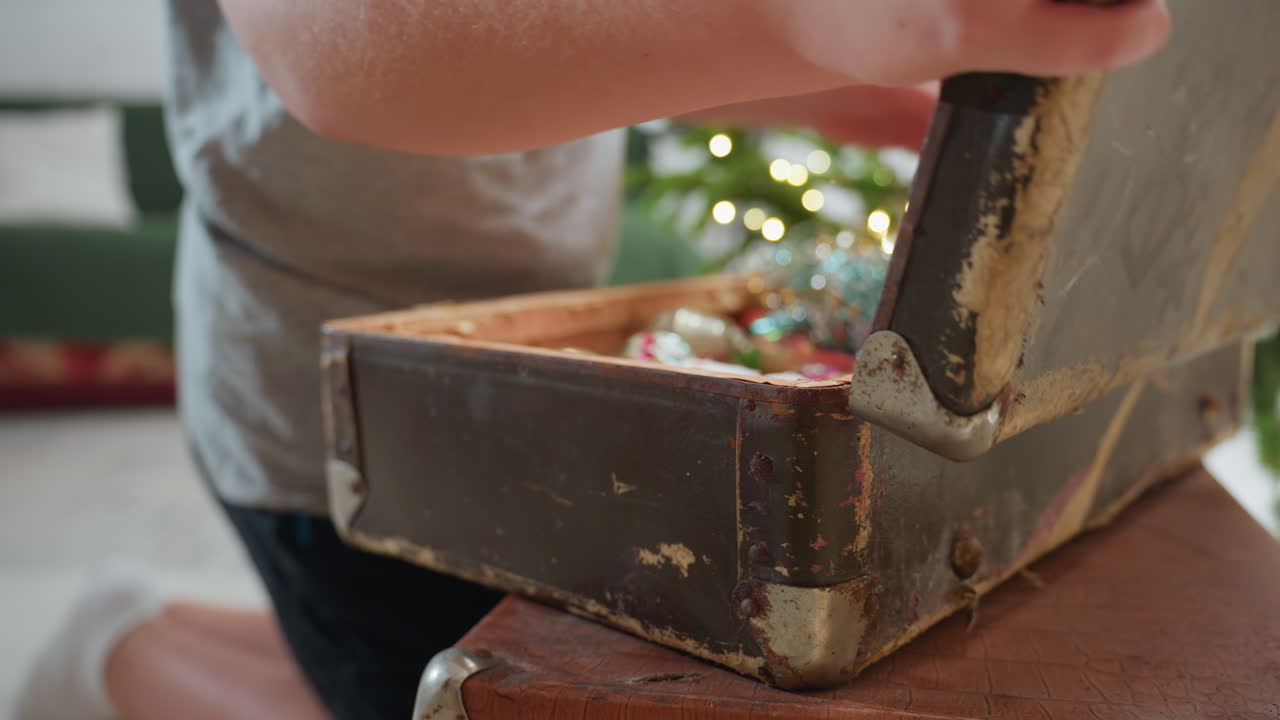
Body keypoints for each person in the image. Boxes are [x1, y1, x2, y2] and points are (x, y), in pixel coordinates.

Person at [17, 1, 1171, 719]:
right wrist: (795, 13)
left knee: (420, 656)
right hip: (338, 411)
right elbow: (330, 51)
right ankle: (117, 648)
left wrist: (880, 94)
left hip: (541, 360)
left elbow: (596, 42)